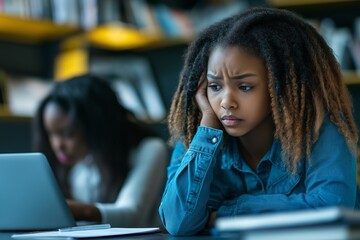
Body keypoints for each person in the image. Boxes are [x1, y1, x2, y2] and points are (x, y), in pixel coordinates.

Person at [158, 7, 359, 236]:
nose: (226, 102)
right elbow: (177, 222)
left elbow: (332, 207)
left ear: (280, 87)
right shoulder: (199, 133)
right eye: (215, 86)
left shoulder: (320, 128)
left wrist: (230, 212)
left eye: (245, 87)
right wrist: (206, 133)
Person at [33, 74, 168, 227]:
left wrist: (69, 208)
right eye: (51, 133)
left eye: (67, 133)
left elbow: (132, 214)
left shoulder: (150, 149)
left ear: (97, 126)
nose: (57, 145)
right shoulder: (80, 164)